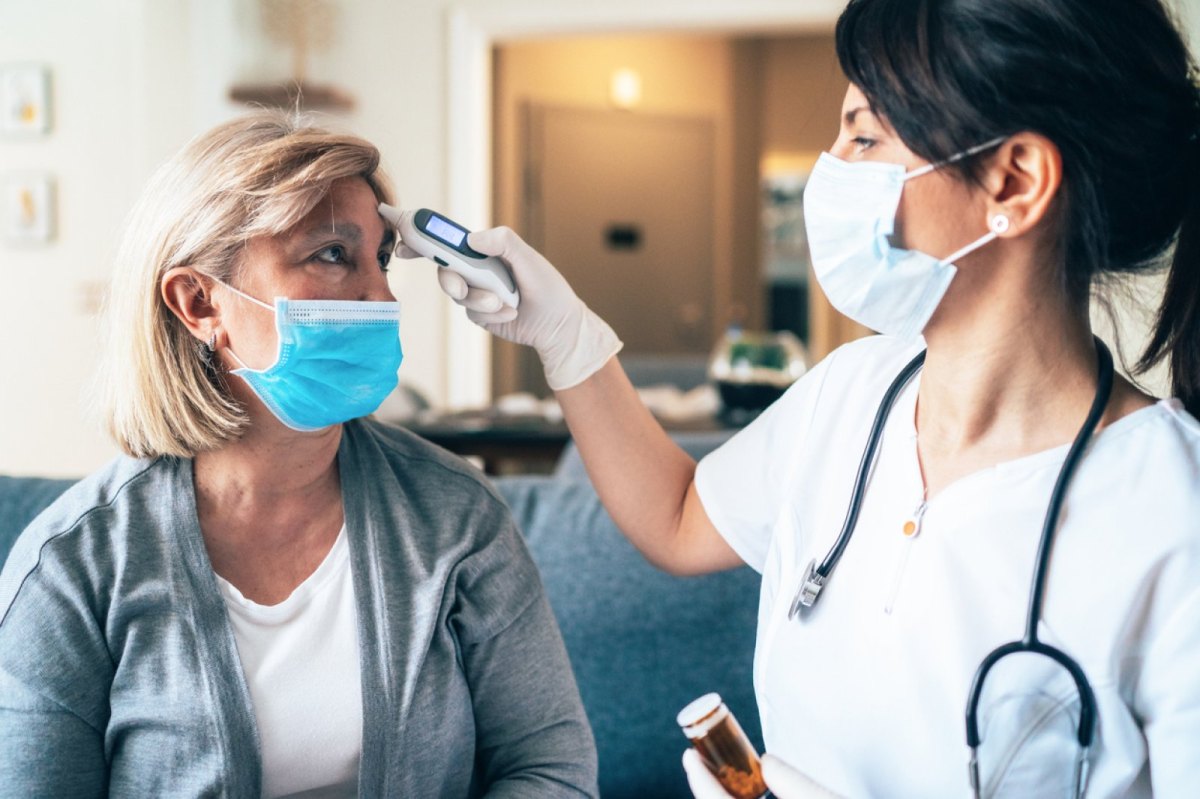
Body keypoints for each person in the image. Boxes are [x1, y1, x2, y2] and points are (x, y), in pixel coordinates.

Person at [427, 0, 1200, 795]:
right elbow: (679, 517)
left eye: (865, 136)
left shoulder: (1171, 511)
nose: (830, 168)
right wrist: (567, 337)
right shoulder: (851, 393)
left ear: (1014, 180)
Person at [0, 111, 598, 797]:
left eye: (379, 258)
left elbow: (550, 769)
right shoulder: (73, 568)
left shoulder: (458, 516)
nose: (381, 296)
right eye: (332, 254)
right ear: (198, 302)